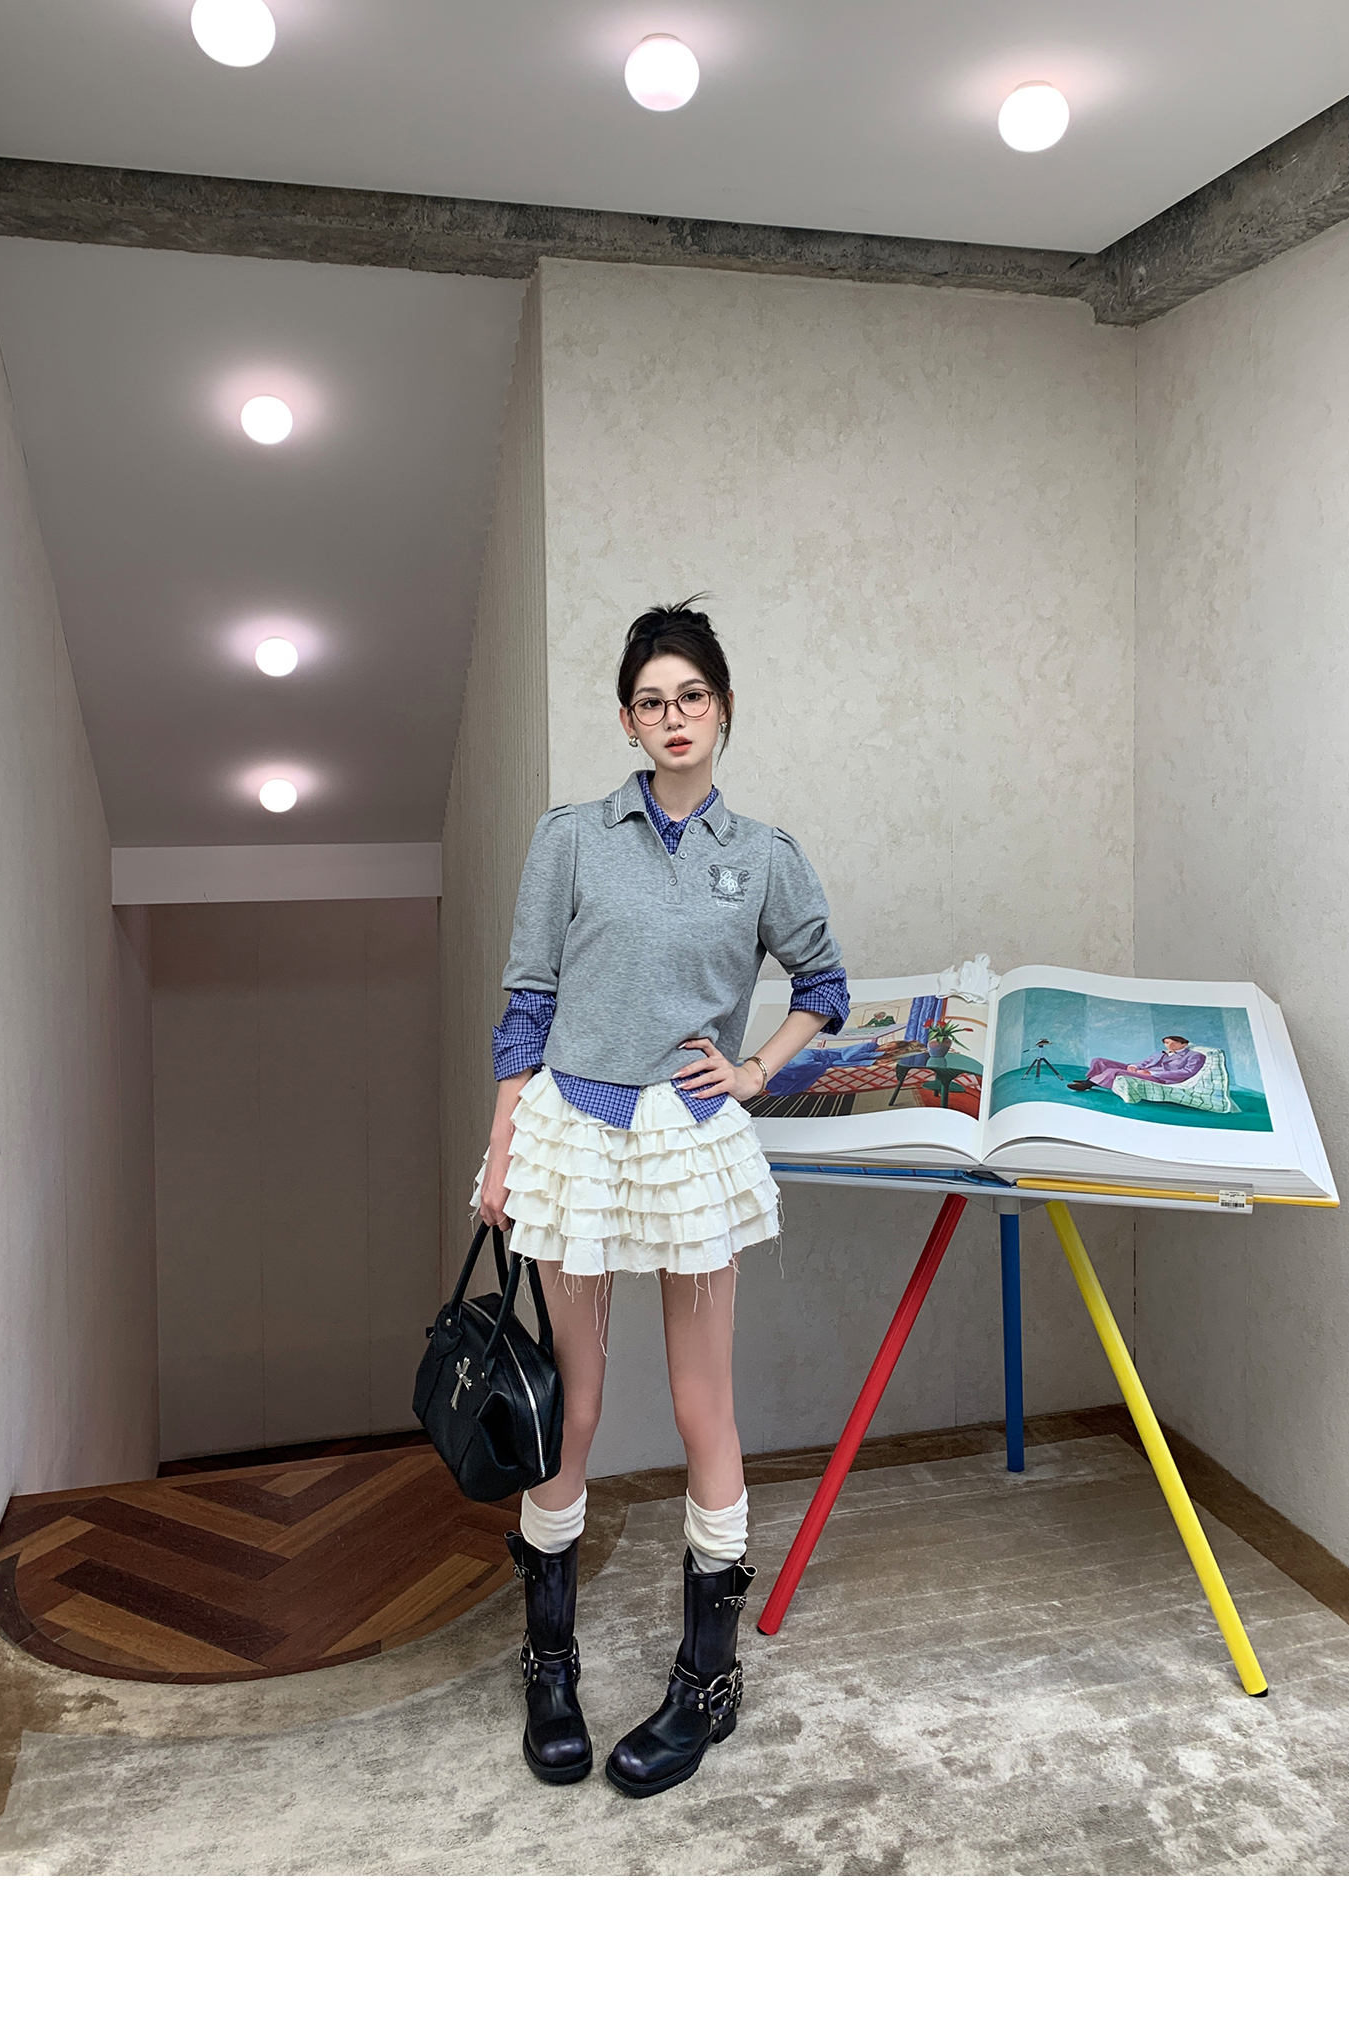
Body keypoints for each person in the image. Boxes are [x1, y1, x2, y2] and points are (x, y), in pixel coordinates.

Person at [473, 599, 850, 1799]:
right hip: (576, 1136)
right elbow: (529, 1000)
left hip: (688, 1144)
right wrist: (502, 1150)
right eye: (651, 701)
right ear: (628, 720)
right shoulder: (571, 838)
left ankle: (707, 1678)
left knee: (702, 1407)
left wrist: (753, 1070)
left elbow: (823, 985)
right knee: (573, 1410)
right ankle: (549, 1663)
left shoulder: (766, 855)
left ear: (722, 708)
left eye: (691, 696)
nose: (673, 717)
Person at [1068, 1035, 1205, 1094]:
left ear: (1184, 1044)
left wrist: (1152, 1073)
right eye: (1167, 1043)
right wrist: (1135, 1066)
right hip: (1142, 1071)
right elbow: (1146, 1062)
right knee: (1099, 1061)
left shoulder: (1194, 1056)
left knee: (1113, 1071)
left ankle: (1088, 1085)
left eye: (1174, 1043)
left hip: (1159, 1077)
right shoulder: (1161, 1053)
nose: (1170, 1045)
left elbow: (1187, 1072)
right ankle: (1090, 1079)